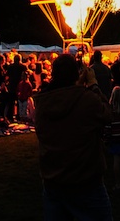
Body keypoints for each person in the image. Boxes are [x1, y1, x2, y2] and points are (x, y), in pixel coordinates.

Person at [34, 53, 112, 220]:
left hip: (53, 181)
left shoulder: (42, 103)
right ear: (76, 74)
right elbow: (106, 114)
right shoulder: (87, 99)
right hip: (85, 181)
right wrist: (93, 84)